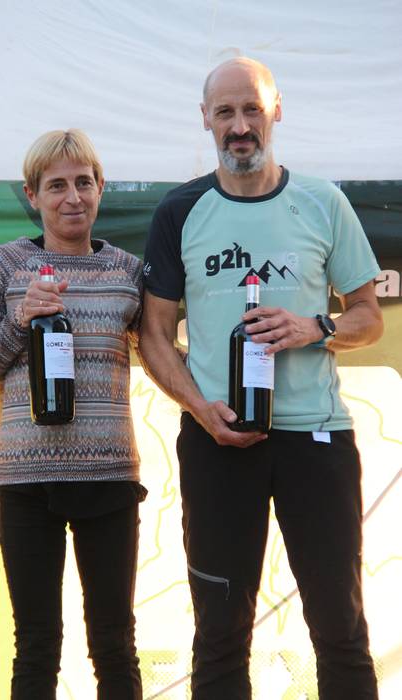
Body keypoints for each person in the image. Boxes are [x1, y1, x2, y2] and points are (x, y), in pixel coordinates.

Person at [139, 57, 383, 699]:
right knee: (219, 638)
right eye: (226, 112)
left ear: (277, 110)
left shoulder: (323, 202)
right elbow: (154, 335)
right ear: (206, 119)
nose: (240, 126)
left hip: (317, 440)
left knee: (340, 629)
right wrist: (200, 409)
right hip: (218, 442)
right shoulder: (180, 210)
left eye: (252, 109)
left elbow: (368, 316)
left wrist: (315, 327)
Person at [0, 129, 145, 700]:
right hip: (26, 482)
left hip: (109, 477)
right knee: (37, 645)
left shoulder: (129, 270)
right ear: (32, 195)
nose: (72, 197)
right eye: (56, 185)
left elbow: (162, 355)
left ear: (101, 188)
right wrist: (21, 320)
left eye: (83, 183)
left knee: (114, 643)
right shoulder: (1, 265)